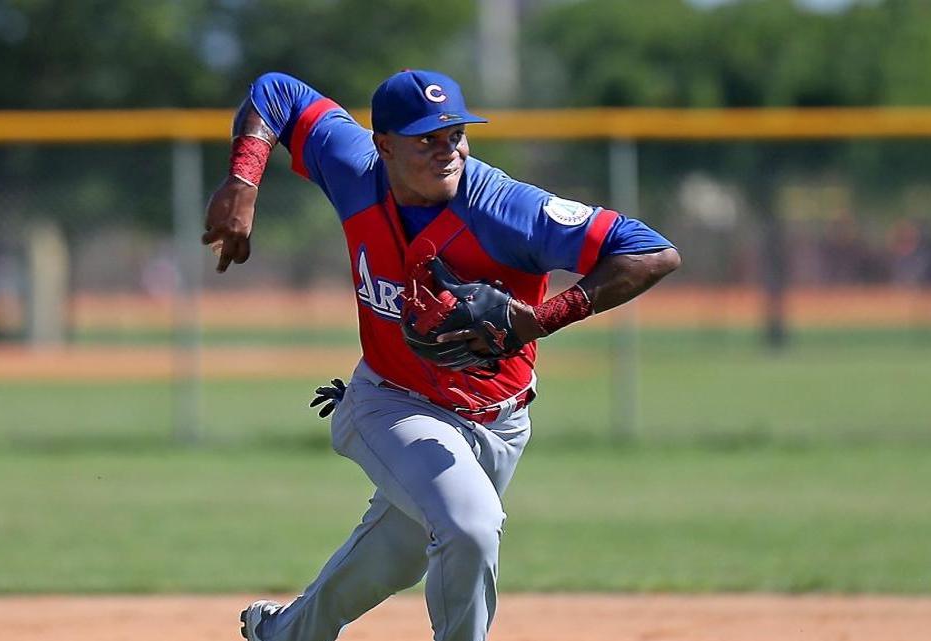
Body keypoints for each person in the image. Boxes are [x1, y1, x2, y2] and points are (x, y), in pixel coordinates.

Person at [202, 69, 680, 641]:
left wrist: (542, 318)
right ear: (384, 146)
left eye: (455, 134)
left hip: (501, 421)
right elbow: (276, 92)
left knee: (396, 555)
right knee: (470, 527)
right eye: (427, 138)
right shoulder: (354, 167)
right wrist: (243, 180)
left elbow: (651, 252)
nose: (447, 150)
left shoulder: (506, 209)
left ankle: (287, 634)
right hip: (391, 401)